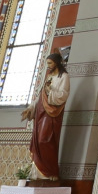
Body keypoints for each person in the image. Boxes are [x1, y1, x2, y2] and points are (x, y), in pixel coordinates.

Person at [22, 50, 69, 180]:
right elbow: (40, 95)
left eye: (50, 63)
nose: (48, 66)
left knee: (45, 140)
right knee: (38, 140)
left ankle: (50, 172)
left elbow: (63, 95)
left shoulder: (64, 77)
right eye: (47, 63)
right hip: (41, 112)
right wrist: (31, 108)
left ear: (57, 63)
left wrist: (50, 91)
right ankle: (39, 173)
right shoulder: (49, 76)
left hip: (52, 113)